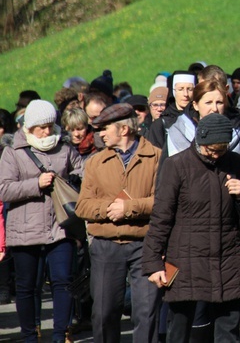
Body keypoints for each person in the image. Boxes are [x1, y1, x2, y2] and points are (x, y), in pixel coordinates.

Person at [143, 114, 240, 342]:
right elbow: (161, 217)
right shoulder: (176, 166)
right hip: (185, 260)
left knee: (228, 331)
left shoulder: (237, 163)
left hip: (228, 259)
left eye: (221, 150)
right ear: (200, 141)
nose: (216, 155)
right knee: (180, 329)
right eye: (211, 150)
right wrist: (153, 262)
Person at [75, 103, 161, 343]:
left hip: (145, 245)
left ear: (123, 129)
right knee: (103, 313)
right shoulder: (95, 162)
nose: (99, 134)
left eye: (104, 128)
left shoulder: (156, 157)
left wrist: (130, 208)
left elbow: (163, 202)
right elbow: (82, 206)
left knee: (146, 313)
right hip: (106, 246)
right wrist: (109, 209)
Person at [0, 100, 84, 343]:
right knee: (27, 287)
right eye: (42, 127)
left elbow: (82, 173)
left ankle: (60, 335)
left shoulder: (65, 148)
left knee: (63, 281)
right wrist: (36, 184)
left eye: (51, 126)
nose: (48, 132)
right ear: (30, 127)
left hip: (60, 227)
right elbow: (4, 189)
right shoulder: (12, 152)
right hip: (24, 229)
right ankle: (29, 336)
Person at [146, 71, 196, 149]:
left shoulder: (200, 119)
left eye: (189, 89)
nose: (185, 94)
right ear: (174, 91)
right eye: (180, 89)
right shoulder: (160, 125)